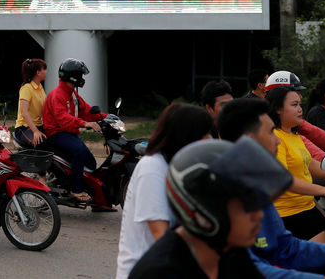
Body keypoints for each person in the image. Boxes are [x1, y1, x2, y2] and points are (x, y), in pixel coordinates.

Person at [217, 97, 325, 279]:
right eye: (270, 133)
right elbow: (251, 269)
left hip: (307, 207)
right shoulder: (223, 199)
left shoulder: (256, 191)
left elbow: (286, 248)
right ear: (250, 141)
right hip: (294, 212)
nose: (277, 141)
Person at [130, 137, 293, 279]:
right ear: (206, 213)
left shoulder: (229, 251)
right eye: (246, 207)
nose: (258, 215)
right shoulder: (161, 273)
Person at [115, 102, 213, 279]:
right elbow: (161, 236)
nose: (210, 140)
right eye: (204, 134)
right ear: (186, 136)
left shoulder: (179, 167)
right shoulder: (152, 168)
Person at [267, 86, 325, 242]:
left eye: (299, 104)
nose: (300, 109)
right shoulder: (275, 138)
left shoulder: (293, 134)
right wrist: (324, 190)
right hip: (289, 214)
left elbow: (310, 164)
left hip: (307, 206)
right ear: (277, 109)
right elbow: (283, 180)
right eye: (294, 105)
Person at [42, 58, 107, 205]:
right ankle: (76, 189)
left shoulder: (72, 93)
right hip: (56, 133)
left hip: (69, 133)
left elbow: (87, 111)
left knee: (91, 162)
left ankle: (95, 199)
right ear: (73, 76)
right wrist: (86, 124)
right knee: (79, 151)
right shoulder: (57, 94)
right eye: (80, 75)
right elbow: (63, 119)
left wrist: (107, 118)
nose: (82, 79)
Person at [13, 58, 48, 169]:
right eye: (44, 69)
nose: (46, 72)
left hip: (37, 126)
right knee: (41, 142)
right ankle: (42, 178)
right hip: (23, 128)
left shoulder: (40, 87)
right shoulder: (26, 88)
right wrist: (35, 131)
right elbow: (24, 112)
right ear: (38, 72)